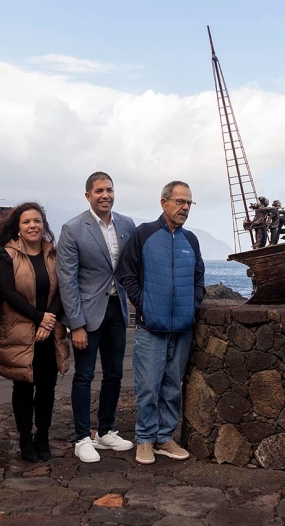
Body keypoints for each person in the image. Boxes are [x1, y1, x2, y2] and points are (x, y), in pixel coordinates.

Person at [115, 181, 205, 465]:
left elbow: (199, 279)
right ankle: (144, 439)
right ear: (164, 202)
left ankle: (164, 438)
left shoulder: (191, 240)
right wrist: (144, 304)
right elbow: (125, 273)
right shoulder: (144, 234)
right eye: (180, 202)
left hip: (182, 329)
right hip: (150, 329)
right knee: (147, 388)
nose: (185, 208)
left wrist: (193, 305)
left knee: (172, 388)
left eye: (189, 203)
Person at [56, 172, 136, 463]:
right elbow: (67, 280)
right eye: (99, 190)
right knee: (85, 375)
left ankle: (106, 431)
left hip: (118, 309)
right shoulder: (73, 228)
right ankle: (81, 438)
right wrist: (75, 324)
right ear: (88, 195)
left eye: (110, 190)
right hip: (87, 315)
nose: (106, 195)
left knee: (115, 373)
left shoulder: (126, 224)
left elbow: (130, 268)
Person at [0, 202, 70, 462]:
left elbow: (62, 289)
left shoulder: (53, 254)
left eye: (37, 221)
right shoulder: (7, 255)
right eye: (26, 221)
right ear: (18, 227)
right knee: (24, 387)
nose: (32, 225)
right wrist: (39, 318)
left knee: (47, 387)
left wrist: (48, 322)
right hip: (20, 331)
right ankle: (25, 438)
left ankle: (43, 436)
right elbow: (7, 292)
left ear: (44, 225)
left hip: (49, 332)